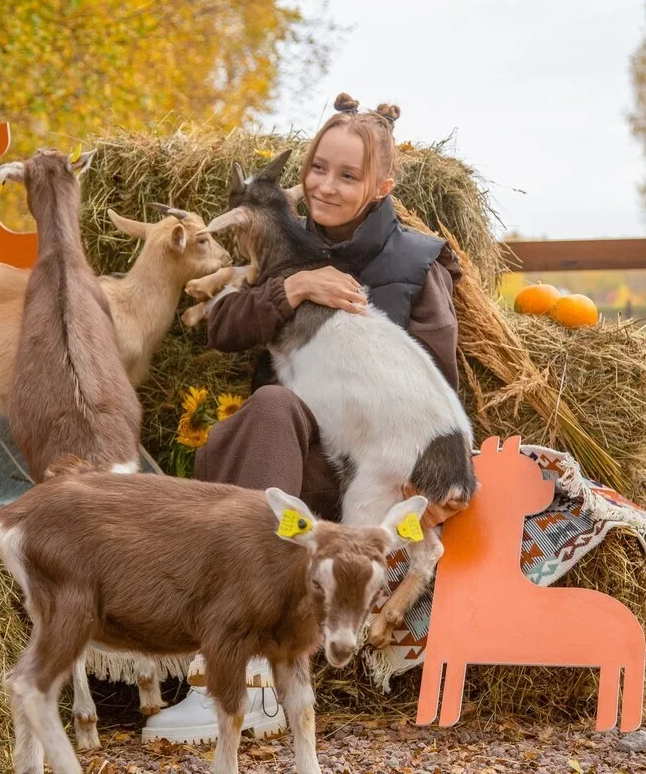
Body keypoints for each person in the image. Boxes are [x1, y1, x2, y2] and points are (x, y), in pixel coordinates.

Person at [142, 93, 463, 743]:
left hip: (347, 478)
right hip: (269, 460)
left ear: (381, 188)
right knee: (273, 404)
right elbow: (220, 327)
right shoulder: (279, 241)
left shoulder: (416, 264)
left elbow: (435, 379)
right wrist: (294, 288)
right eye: (318, 167)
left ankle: (252, 678)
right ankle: (231, 672)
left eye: (348, 176)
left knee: (289, 411)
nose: (325, 185)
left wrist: (436, 481)